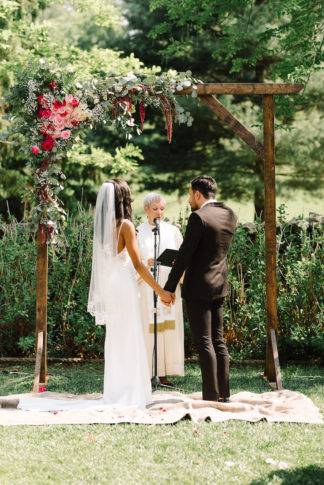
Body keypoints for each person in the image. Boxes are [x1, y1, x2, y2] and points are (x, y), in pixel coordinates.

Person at [18, 180, 174, 412]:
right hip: (124, 286)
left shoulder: (103, 226)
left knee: (117, 338)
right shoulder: (126, 226)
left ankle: (117, 390)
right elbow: (139, 266)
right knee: (129, 336)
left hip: (112, 286)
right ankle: (131, 392)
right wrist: (161, 291)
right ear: (124, 198)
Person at [164, 175, 236, 402]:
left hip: (198, 288)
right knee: (218, 340)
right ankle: (223, 393)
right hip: (220, 285)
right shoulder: (229, 214)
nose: (188, 200)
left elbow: (185, 256)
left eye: (189, 195)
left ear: (197, 194)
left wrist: (168, 287)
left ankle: (210, 396)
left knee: (204, 341)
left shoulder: (198, 217)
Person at [137, 193, 184, 385]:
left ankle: (164, 373)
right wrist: (145, 262)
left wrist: (177, 262)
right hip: (147, 289)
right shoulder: (138, 232)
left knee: (166, 331)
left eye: (162, 209)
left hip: (168, 286)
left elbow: (183, 258)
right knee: (149, 331)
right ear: (146, 209)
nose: (159, 212)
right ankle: (147, 373)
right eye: (155, 209)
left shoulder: (173, 231)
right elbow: (132, 261)